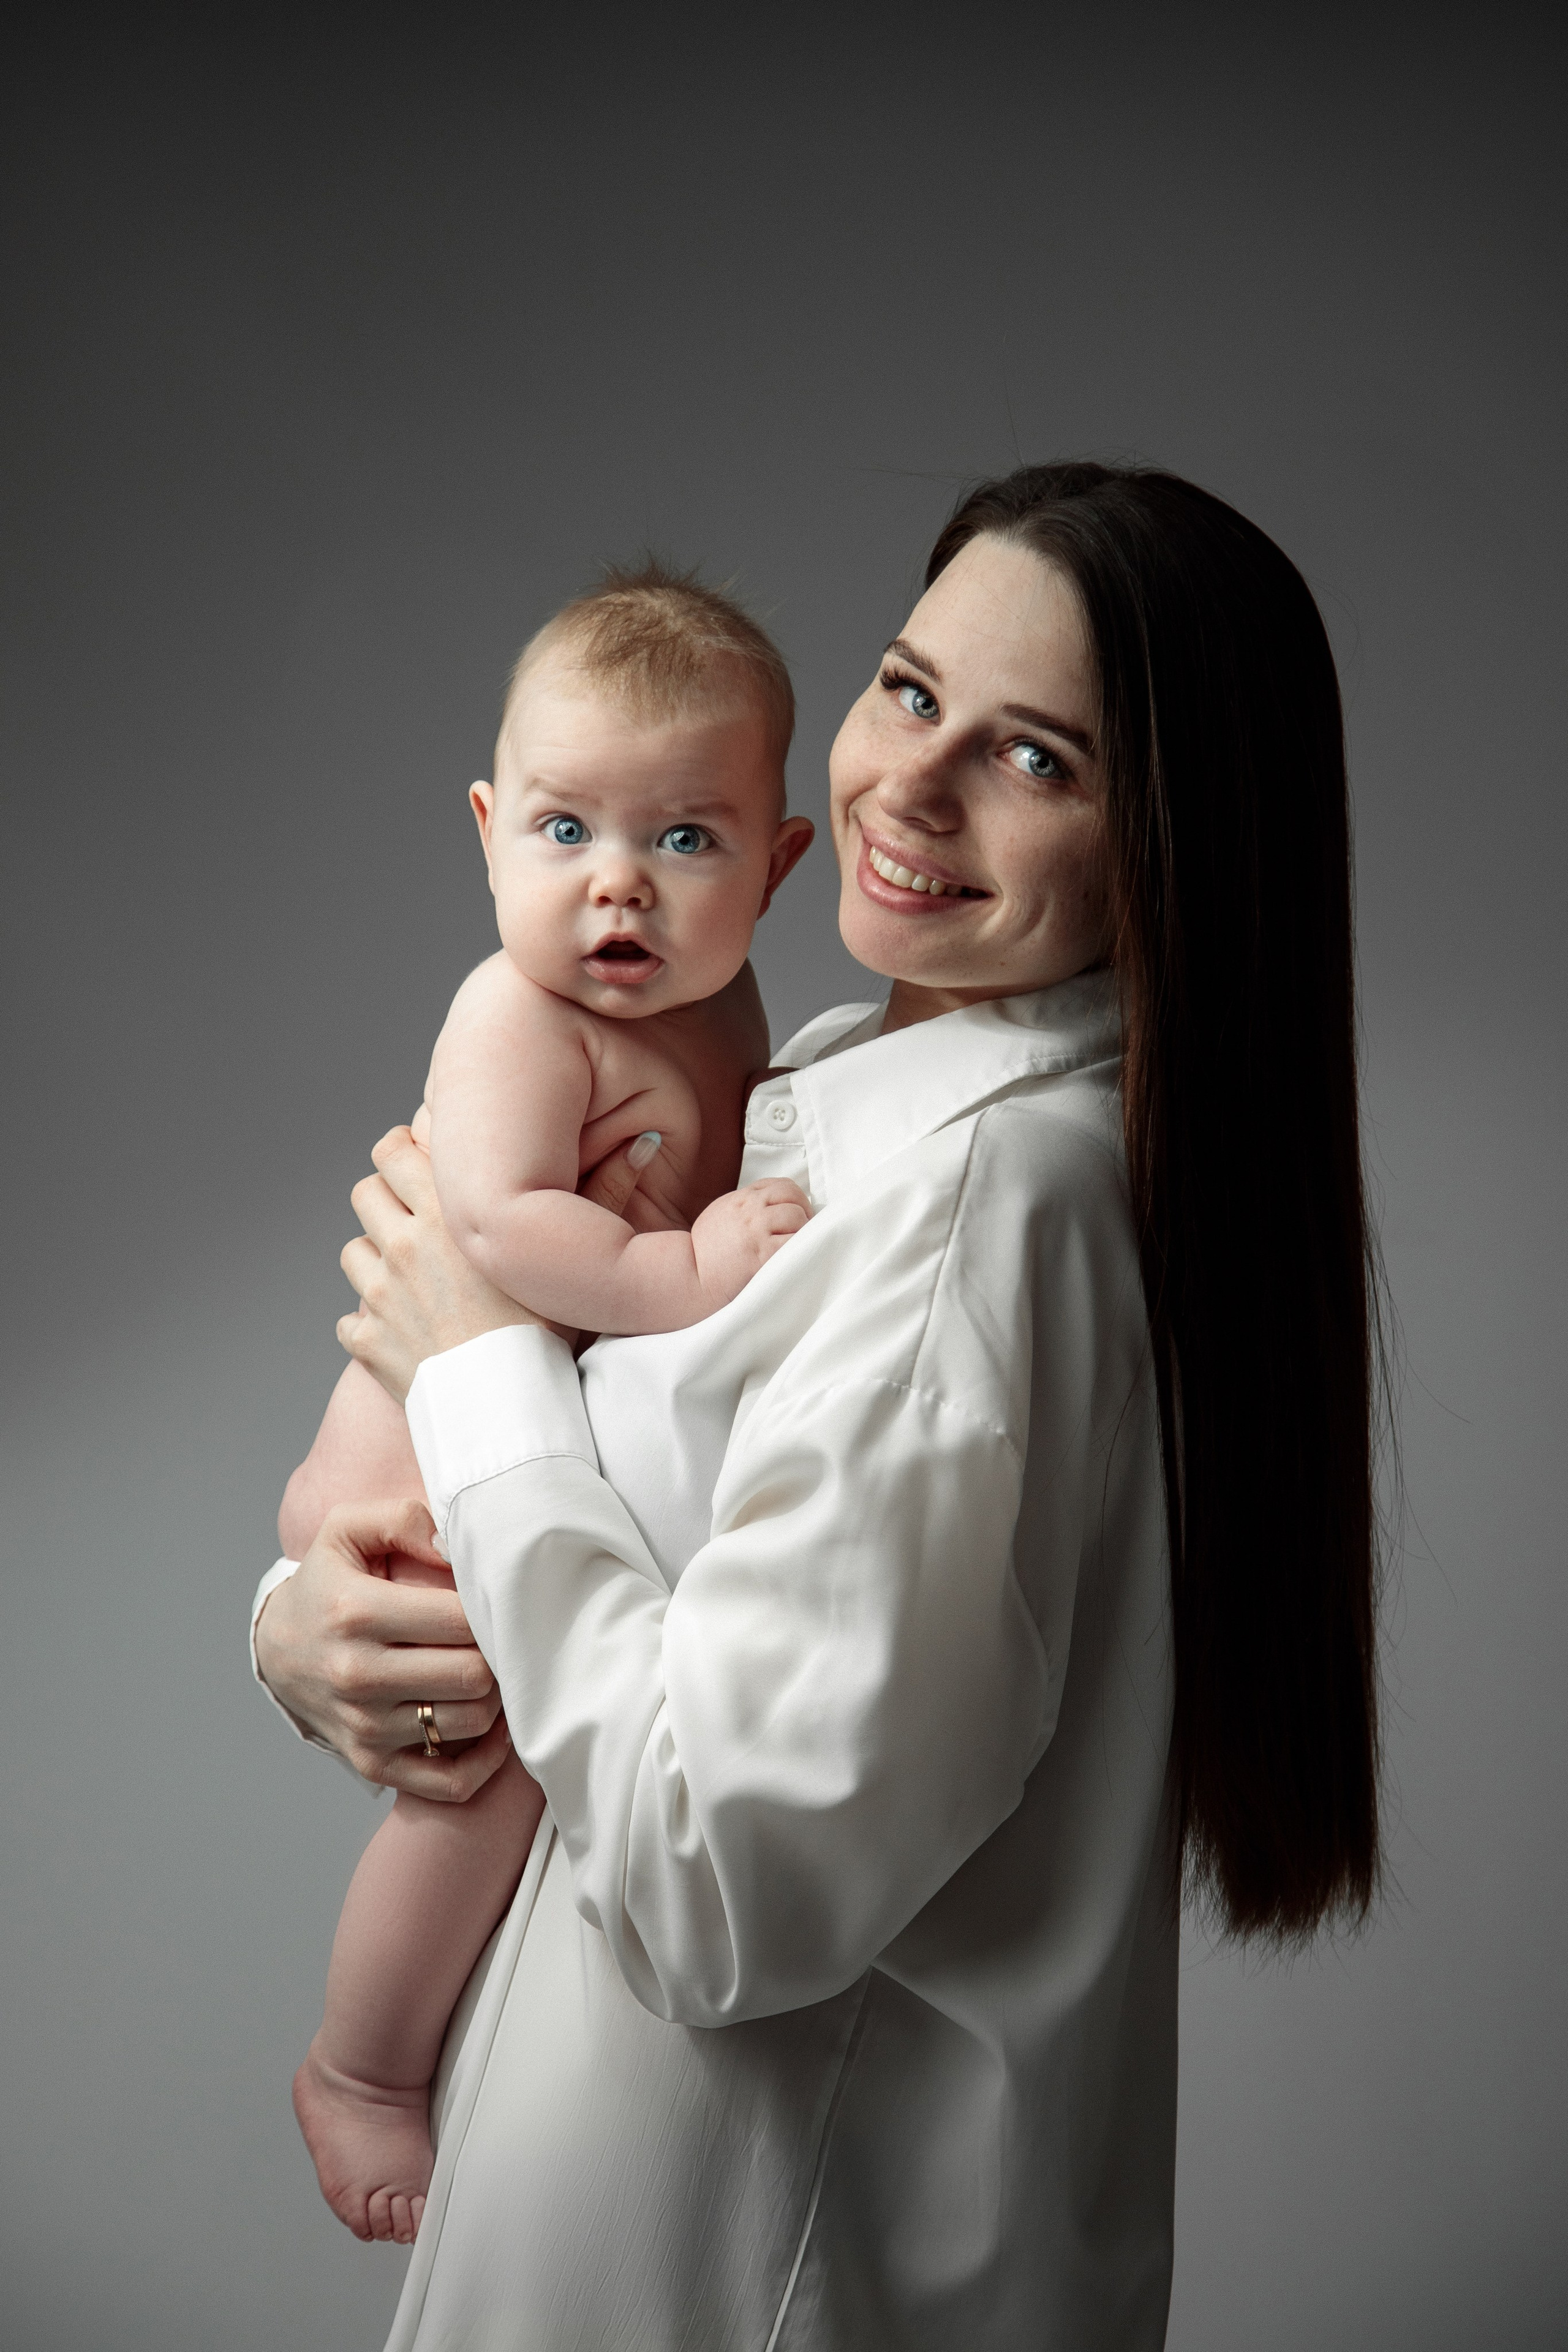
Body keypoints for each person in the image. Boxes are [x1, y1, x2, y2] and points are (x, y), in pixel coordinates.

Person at [253, 462, 1382, 2351]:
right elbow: (614, 1560)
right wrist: (315, 1630)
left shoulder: (980, 1210)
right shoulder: (836, 1093)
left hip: (743, 2269)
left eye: (1037, 758)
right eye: (912, 690)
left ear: (1173, 843)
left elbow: (715, 1883)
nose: (912, 789)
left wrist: (472, 1360)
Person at [280, 565, 816, 2242]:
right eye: (565, 830)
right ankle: (360, 2067)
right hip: (409, 1488)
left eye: (685, 839)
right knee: (481, 1788)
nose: (617, 887)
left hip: (505, 1467)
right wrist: (686, 1267)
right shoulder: (516, 1013)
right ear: (488, 830)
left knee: (523, 1775)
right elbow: (501, 1226)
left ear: (777, 863)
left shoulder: (730, 1010)